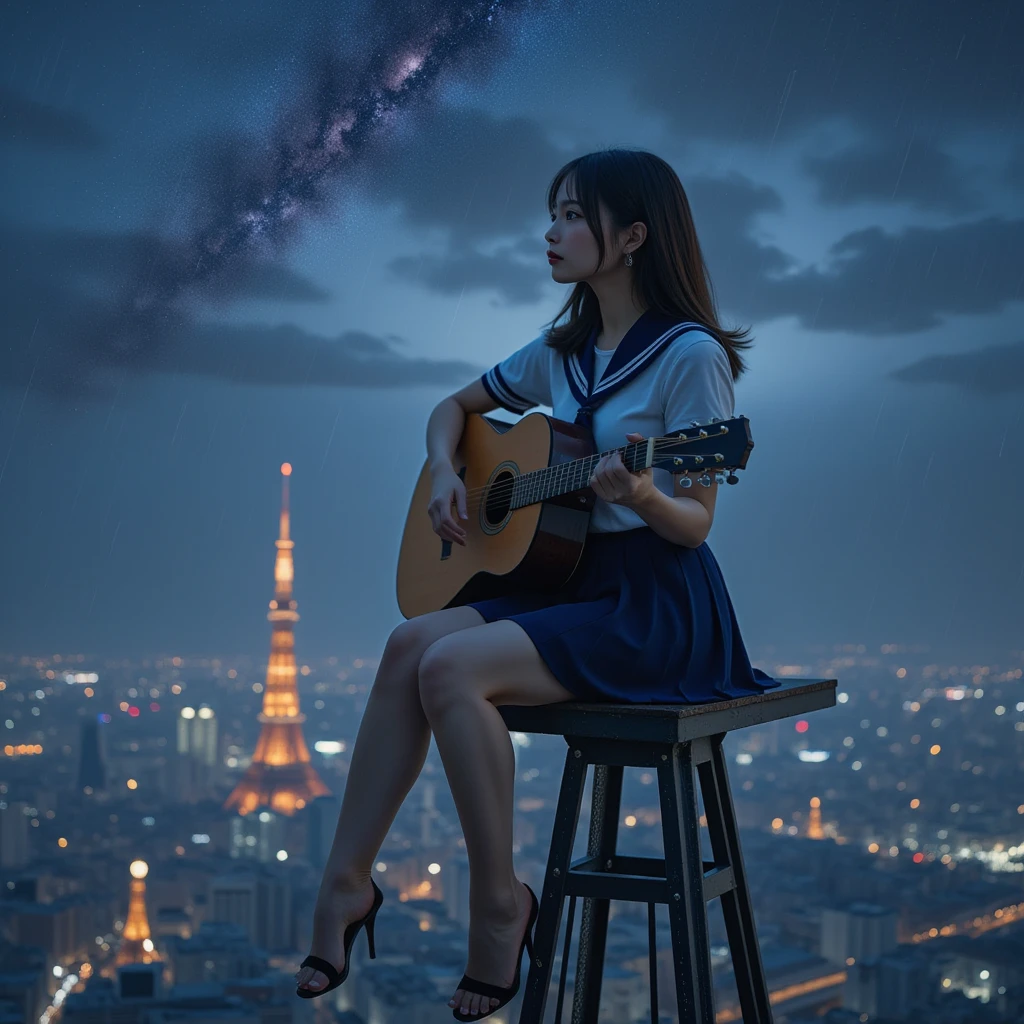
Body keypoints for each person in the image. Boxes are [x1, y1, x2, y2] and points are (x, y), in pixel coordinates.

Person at [295, 148, 780, 1018]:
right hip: (567, 582)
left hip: (652, 598)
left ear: (631, 236)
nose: (550, 233)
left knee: (449, 669)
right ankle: (345, 885)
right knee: (408, 640)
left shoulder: (689, 357)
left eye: (570, 215)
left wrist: (639, 492)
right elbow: (453, 409)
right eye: (552, 213)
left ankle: (499, 907)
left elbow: (697, 519)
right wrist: (446, 471)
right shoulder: (560, 351)